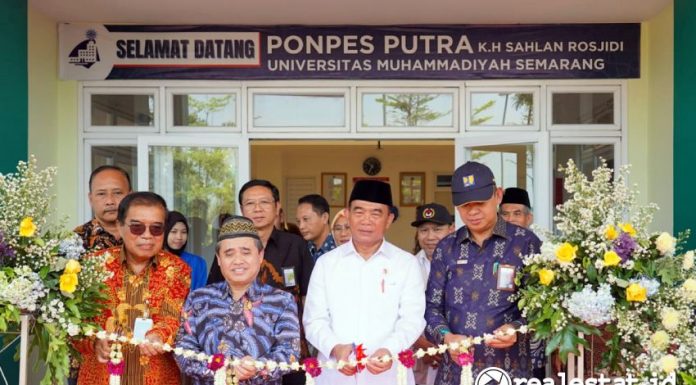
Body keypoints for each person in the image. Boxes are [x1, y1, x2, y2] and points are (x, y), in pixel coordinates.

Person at [425, 161, 541, 382]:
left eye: (480, 202)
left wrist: (517, 327)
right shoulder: (447, 247)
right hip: (456, 373)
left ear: (498, 195)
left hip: (511, 369)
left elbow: (543, 309)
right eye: (465, 206)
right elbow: (431, 308)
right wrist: (446, 336)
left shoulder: (526, 243)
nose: (473, 211)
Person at [303, 179, 425, 385]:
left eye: (376, 213)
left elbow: (412, 320)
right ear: (347, 215)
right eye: (359, 212)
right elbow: (314, 320)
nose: (366, 220)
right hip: (335, 374)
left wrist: (389, 349)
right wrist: (335, 348)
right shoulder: (326, 264)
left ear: (389, 219)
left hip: (390, 376)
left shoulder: (406, 264)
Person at [76, 192, 191, 385]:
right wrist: (94, 342)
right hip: (100, 376)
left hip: (157, 377)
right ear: (120, 226)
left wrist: (159, 335)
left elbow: (172, 317)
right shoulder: (93, 266)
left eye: (156, 228)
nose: (147, 235)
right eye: (137, 227)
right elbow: (77, 323)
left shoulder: (178, 269)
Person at [207, 179, 314, 385]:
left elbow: (307, 297)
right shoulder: (229, 249)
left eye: (264, 202)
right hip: (241, 351)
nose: (257, 209)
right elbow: (216, 295)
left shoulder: (296, 245)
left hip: (288, 349)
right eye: (250, 203)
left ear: (277, 207)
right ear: (241, 208)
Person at [175, 216, 301, 385]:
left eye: (246, 252)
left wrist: (258, 367)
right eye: (229, 253)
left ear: (260, 254)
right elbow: (183, 352)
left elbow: (290, 353)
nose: (238, 260)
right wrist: (221, 371)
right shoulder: (199, 298)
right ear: (219, 259)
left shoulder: (282, 301)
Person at [499, 187, 546, 379]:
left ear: (529, 218)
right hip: (497, 338)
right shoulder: (488, 246)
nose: (510, 219)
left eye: (517, 213)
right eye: (505, 214)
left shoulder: (538, 248)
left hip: (530, 337)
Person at [410, 203, 454, 385]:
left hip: (454, 352)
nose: (430, 237)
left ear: (452, 229)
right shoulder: (407, 265)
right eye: (424, 230)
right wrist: (421, 344)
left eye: (437, 229)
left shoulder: (464, 264)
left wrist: (445, 345)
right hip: (417, 353)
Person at [74, 165, 132, 251]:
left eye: (117, 193)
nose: (110, 201)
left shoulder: (148, 234)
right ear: (91, 199)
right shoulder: (76, 240)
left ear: (130, 196)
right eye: (101, 194)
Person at [164, 211, 208, 291]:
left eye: (184, 232)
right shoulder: (154, 261)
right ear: (165, 233)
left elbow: (200, 296)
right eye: (174, 232)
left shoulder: (198, 263)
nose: (179, 237)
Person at [296, 194, 336, 261]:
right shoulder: (301, 249)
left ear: (324, 218)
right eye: (298, 221)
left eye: (306, 219)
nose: (301, 226)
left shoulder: (338, 247)